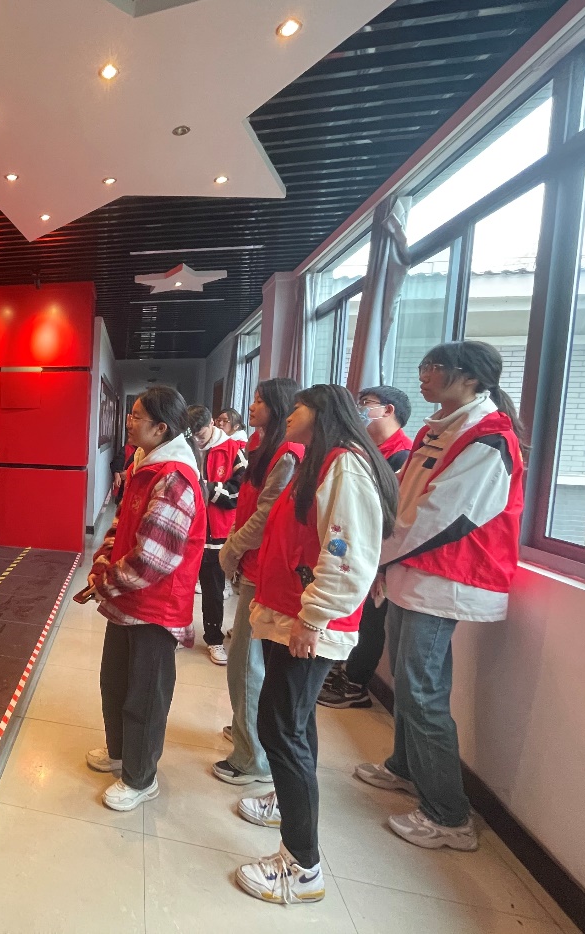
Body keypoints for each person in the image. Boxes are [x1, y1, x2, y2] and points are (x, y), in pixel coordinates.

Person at [233, 384, 398, 905]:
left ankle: (302, 866)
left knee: (279, 727)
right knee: (294, 724)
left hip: (306, 621)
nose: (290, 414)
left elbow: (346, 554)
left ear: (322, 413)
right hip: (291, 613)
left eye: (300, 407)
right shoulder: (322, 462)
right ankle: (288, 805)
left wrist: (314, 616)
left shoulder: (346, 467)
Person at [356, 341, 524, 852]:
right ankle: (405, 767)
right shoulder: (438, 429)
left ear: (469, 378)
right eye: (424, 365)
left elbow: (442, 518)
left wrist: (378, 555)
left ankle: (449, 816)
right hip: (413, 571)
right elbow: (406, 495)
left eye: (434, 368)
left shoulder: (489, 438)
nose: (423, 375)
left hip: (445, 576)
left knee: (423, 690)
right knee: (409, 682)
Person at [82, 387, 206, 812]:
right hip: (129, 600)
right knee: (115, 681)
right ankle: (120, 754)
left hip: (155, 606)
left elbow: (155, 557)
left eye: (137, 416)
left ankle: (140, 778)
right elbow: (121, 526)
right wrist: (102, 562)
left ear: (161, 428)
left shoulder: (174, 477)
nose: (129, 422)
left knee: (145, 696)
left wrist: (106, 582)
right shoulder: (144, 464)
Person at [214, 378, 302, 785]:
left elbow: (265, 516)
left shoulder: (288, 454)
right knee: (246, 661)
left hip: (264, 570)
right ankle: (247, 730)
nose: (252, 407)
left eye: (261, 401)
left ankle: (251, 758)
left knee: (245, 665)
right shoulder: (263, 447)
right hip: (254, 565)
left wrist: (231, 548)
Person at [319, 385, 413, 709]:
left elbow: (392, 509)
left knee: (371, 619)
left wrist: (382, 558)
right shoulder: (366, 449)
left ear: (388, 410)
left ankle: (355, 684)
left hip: (380, 550)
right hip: (357, 544)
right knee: (352, 613)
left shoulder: (402, 454)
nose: (361, 408)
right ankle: (339, 670)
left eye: (367, 403)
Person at [188, 405, 247, 665]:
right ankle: (178, 631)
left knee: (213, 590)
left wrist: (207, 488)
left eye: (200, 434)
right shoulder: (184, 446)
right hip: (187, 528)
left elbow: (239, 492)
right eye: (192, 435)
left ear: (211, 423)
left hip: (216, 531)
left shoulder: (233, 450)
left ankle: (214, 639)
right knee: (181, 585)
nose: (196, 440)